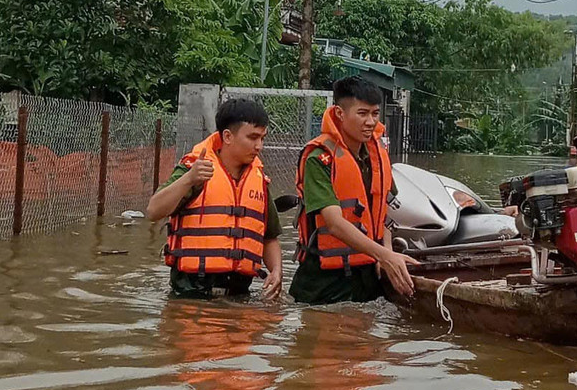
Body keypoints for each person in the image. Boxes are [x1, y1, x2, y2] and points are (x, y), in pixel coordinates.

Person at [289, 76, 417, 305]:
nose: (370, 121)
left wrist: (385, 251)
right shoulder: (320, 159)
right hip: (325, 285)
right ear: (339, 113)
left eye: (375, 114)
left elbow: (381, 212)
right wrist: (385, 255)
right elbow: (334, 223)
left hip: (367, 276)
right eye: (362, 113)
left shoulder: (377, 155)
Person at [150, 98, 283, 300]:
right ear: (228, 136)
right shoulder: (196, 169)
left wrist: (276, 271)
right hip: (190, 294)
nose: (259, 146)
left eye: (262, 138)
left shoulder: (259, 180)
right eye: (253, 137)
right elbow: (153, 210)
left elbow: (269, 236)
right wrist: (188, 179)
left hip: (239, 294)